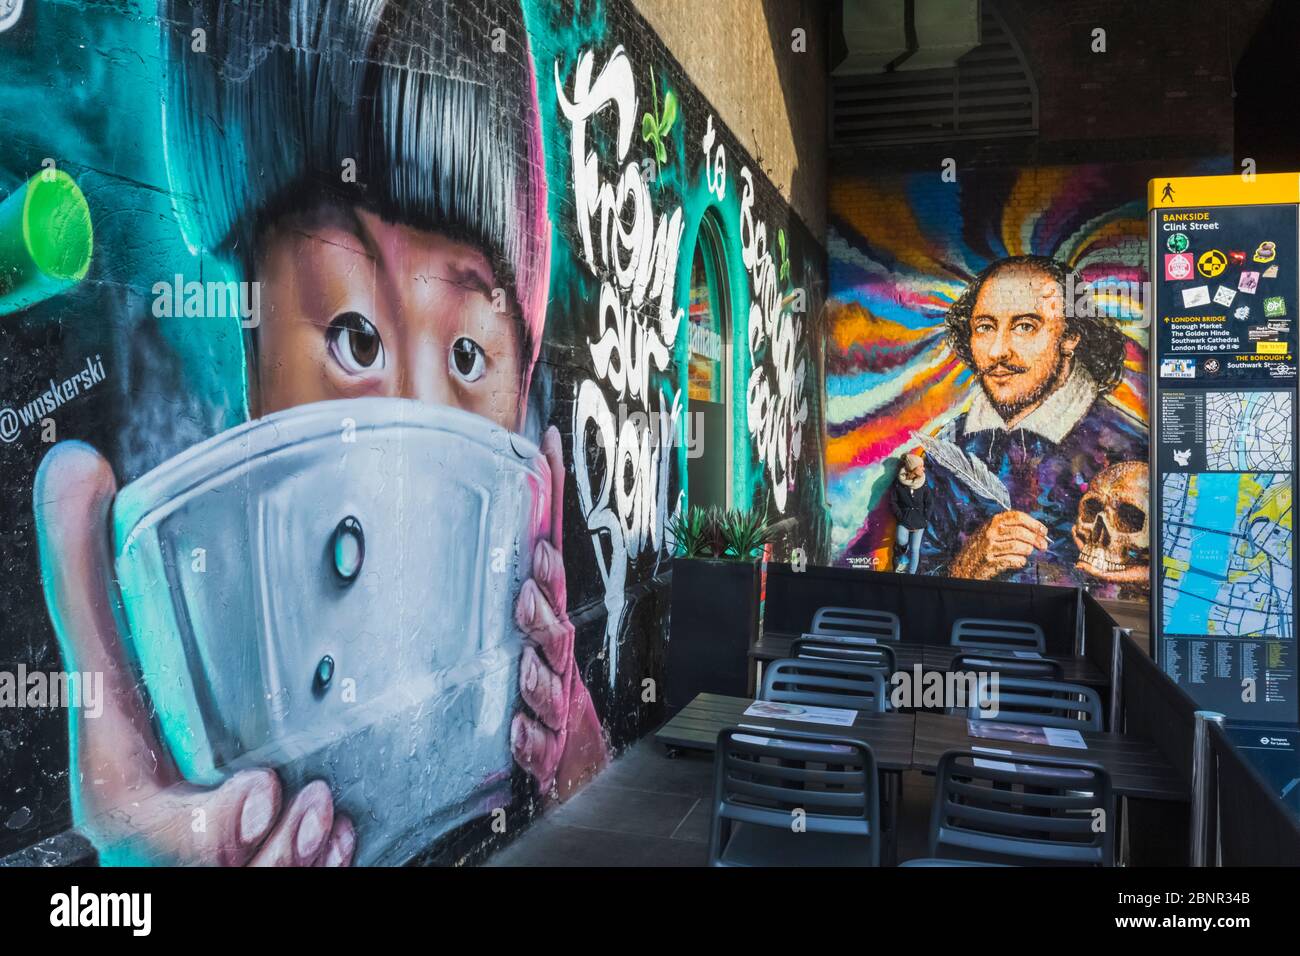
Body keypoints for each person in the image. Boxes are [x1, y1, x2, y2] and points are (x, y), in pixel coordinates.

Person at [31, 0, 608, 867]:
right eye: (355, 340)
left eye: (465, 352)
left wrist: (568, 742)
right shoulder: (148, 556)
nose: (412, 422)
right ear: (249, 345)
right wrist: (152, 836)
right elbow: (117, 838)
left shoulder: (528, 586)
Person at [921, 255, 1146, 584]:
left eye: (1025, 326)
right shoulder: (948, 447)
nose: (998, 351)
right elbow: (918, 581)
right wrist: (968, 567)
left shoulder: (1130, 448)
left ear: (1070, 336)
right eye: (984, 327)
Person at [890, 453, 932, 573]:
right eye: (921, 466)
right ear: (913, 468)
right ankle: (902, 550)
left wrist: (925, 519)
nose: (923, 469)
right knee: (901, 540)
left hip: (919, 521)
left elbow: (929, 502)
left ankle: (911, 576)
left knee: (915, 549)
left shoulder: (923, 482)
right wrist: (901, 517)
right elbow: (893, 502)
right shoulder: (899, 483)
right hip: (904, 520)